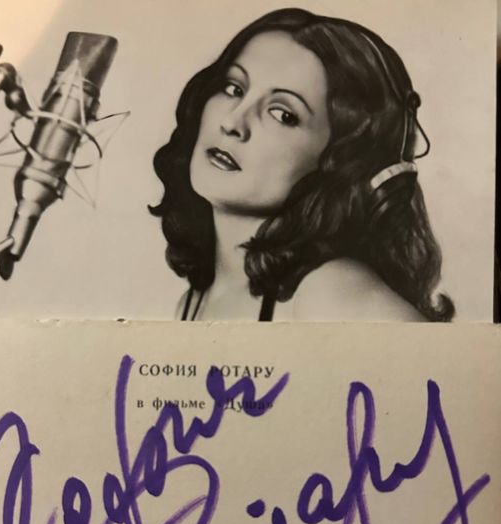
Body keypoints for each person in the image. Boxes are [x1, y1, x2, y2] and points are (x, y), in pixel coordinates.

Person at [150, 8, 454, 322]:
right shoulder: (193, 300)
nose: (232, 122)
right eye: (234, 89)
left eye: (283, 114)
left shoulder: (332, 292)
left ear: (341, 160)